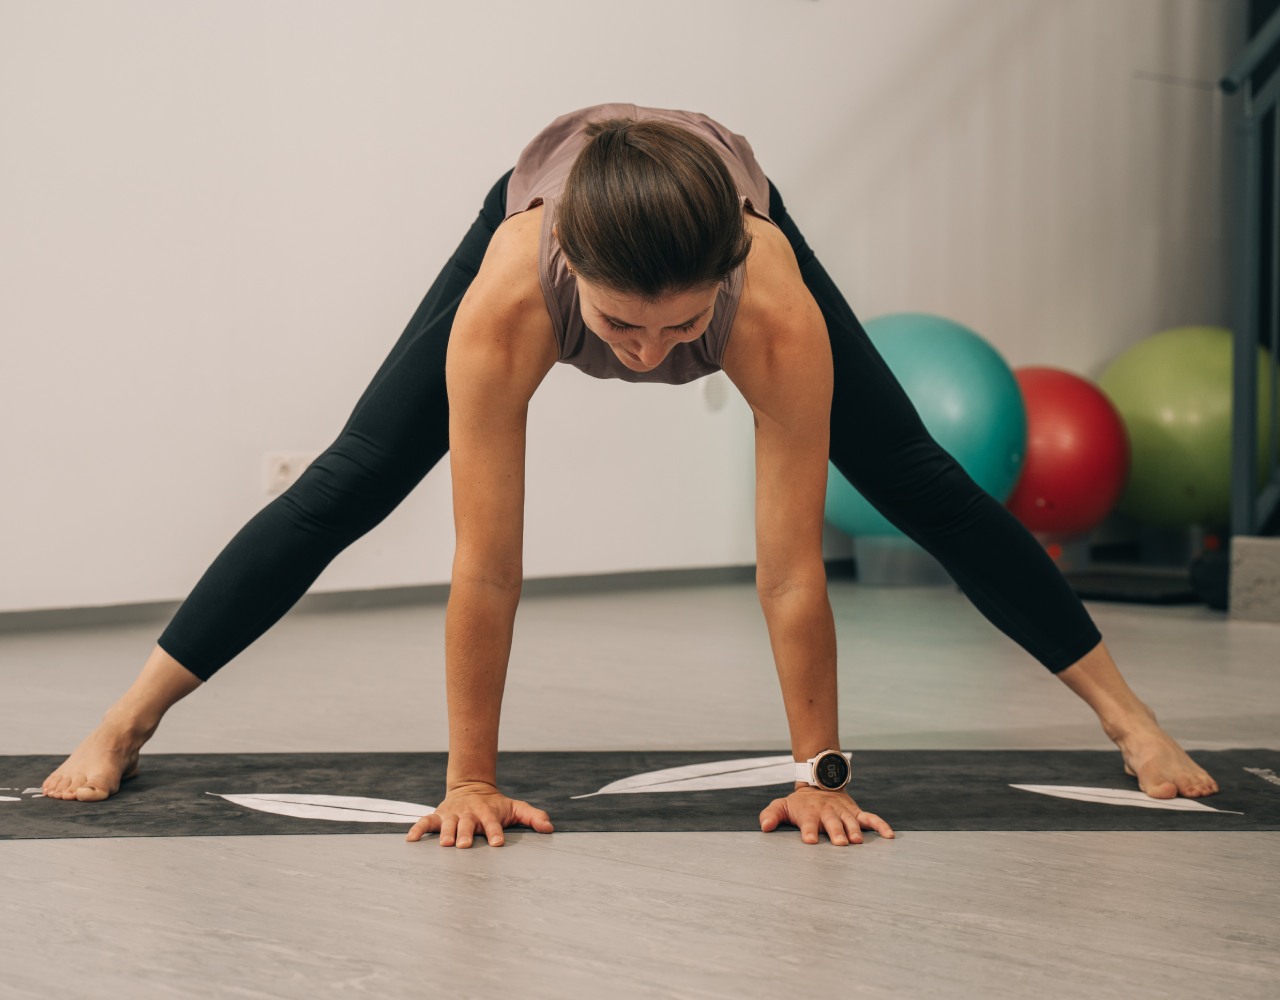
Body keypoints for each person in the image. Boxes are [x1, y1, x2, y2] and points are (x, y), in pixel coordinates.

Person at [42, 104, 1220, 847]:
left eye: (674, 334)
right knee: (351, 478)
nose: (646, 359)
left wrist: (816, 774)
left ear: (723, 283)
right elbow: (488, 568)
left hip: (717, 228)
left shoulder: (769, 305)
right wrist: (468, 780)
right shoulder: (510, 293)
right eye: (616, 331)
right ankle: (127, 718)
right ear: (571, 275)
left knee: (919, 477)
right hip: (551, 230)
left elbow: (789, 573)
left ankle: (1128, 720)